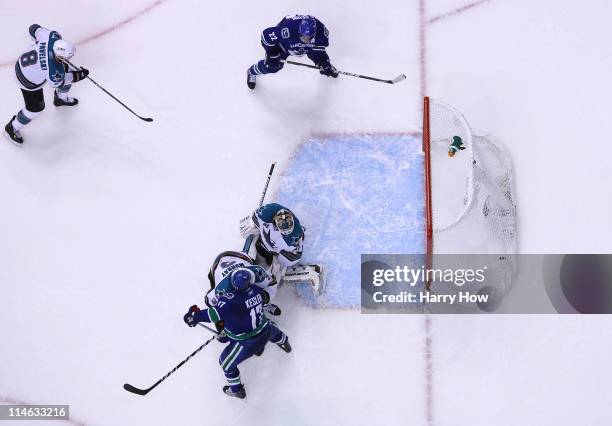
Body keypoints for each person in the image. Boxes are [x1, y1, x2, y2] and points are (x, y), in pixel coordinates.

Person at [184, 268, 292, 399]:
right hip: (265, 329)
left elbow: (212, 314)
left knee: (225, 363)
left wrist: (194, 317)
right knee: (274, 332)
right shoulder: (256, 290)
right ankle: (285, 343)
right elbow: (255, 303)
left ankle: (236, 390)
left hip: (248, 343)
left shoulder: (231, 301)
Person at [4, 24, 89, 145]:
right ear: (60, 55)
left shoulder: (51, 36)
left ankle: (61, 100)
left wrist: (41, 48)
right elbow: (61, 81)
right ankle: (11, 127)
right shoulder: (53, 70)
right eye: (68, 57)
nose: (70, 58)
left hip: (23, 64)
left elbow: (33, 28)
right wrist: (79, 76)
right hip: (27, 80)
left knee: (68, 69)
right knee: (35, 109)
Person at [246, 14, 337, 89]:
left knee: (321, 59)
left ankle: (326, 65)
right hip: (284, 46)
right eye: (303, 36)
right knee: (272, 66)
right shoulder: (287, 31)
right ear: (299, 31)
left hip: (307, 48)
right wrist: (272, 53)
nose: (305, 40)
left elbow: (319, 48)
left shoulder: (322, 33)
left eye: (308, 38)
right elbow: (265, 36)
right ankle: (252, 71)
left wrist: (323, 62)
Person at [240, 203, 305, 284]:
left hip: (281, 250)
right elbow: (253, 219)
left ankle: (275, 276)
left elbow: (293, 254)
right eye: (283, 230)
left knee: (282, 263)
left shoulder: (293, 238)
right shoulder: (265, 213)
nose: (287, 233)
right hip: (267, 243)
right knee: (249, 233)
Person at [205, 250, 281, 315]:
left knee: (261, 293)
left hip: (240, 257)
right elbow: (209, 301)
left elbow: (272, 283)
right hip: (217, 266)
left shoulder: (258, 272)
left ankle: (264, 305)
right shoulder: (221, 290)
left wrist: (266, 297)